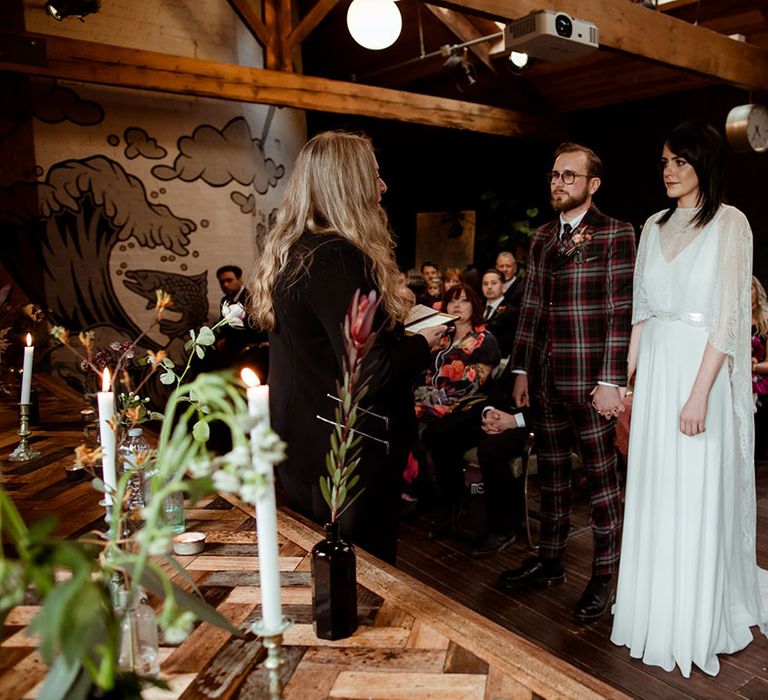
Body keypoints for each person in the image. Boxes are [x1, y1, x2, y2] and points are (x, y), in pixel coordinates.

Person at [611, 122, 768, 676]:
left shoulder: (731, 224)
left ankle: (694, 614)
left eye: (678, 161)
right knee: (654, 491)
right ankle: (651, 607)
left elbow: (728, 319)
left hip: (699, 371)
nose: (668, 171)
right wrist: (627, 378)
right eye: (663, 162)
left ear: (703, 164)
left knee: (695, 492)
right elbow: (640, 307)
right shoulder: (652, 225)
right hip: (655, 371)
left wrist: (699, 395)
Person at [249, 131, 445, 563]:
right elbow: (369, 372)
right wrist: (421, 341)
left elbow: (323, 342)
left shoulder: (297, 250)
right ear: (348, 184)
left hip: (303, 435)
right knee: (360, 574)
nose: (383, 187)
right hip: (345, 447)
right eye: (374, 177)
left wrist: (391, 316)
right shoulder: (339, 255)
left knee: (323, 567)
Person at [497, 142, 636, 624]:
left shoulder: (617, 234)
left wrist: (611, 381)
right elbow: (531, 307)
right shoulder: (539, 238)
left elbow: (622, 312)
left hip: (592, 382)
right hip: (544, 378)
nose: (559, 182)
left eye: (570, 176)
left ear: (593, 185)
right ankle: (550, 560)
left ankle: (603, 576)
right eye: (555, 175)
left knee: (601, 485)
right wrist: (520, 370)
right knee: (552, 478)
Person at [414, 283, 501, 537]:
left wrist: (428, 400)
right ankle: (419, 494)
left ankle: (451, 508)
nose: (456, 306)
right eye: (452, 301)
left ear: (474, 306)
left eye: (463, 301)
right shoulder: (441, 336)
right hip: (430, 405)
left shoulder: (485, 341)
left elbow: (470, 385)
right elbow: (422, 371)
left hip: (468, 408)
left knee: (439, 437)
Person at [481, 268, 518, 357]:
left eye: (494, 283)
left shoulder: (511, 312)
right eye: (485, 284)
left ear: (503, 287)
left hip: (500, 357)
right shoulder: (477, 308)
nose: (489, 287)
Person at [751, 276, 768, 460]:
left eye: (750, 288)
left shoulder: (765, 323)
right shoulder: (734, 321)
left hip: (761, 387)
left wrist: (753, 365)